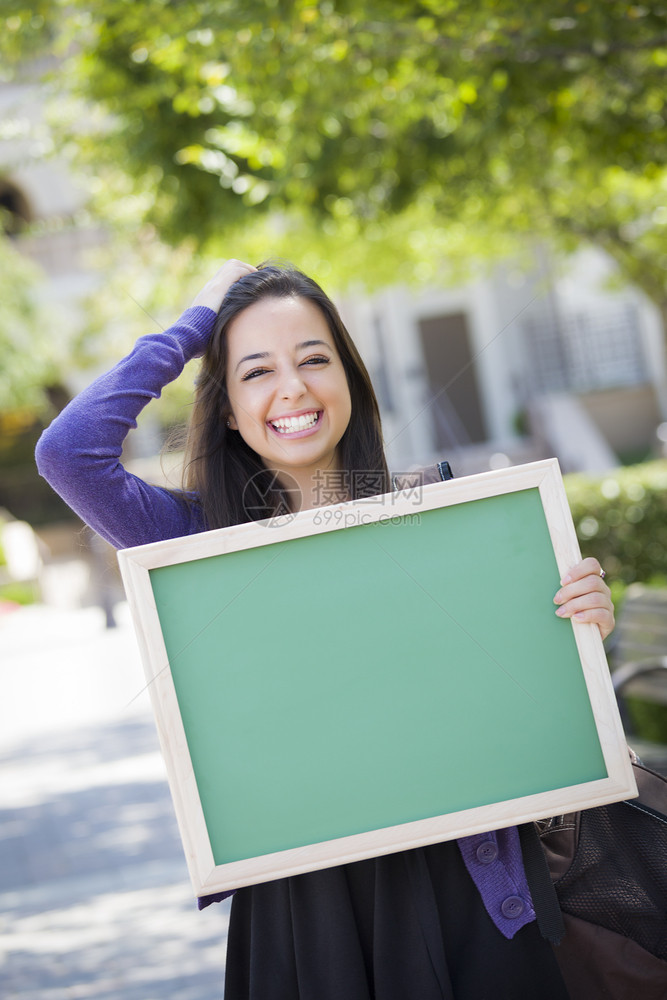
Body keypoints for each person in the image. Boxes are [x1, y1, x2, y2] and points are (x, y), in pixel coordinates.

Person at [36, 259, 615, 999]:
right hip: (308, 907)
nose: (292, 389)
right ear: (225, 409)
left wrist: (570, 637)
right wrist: (197, 322)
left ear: (350, 379)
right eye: (256, 372)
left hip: (472, 883)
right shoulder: (191, 537)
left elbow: (511, 701)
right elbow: (68, 452)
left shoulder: (442, 516)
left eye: (314, 359)